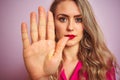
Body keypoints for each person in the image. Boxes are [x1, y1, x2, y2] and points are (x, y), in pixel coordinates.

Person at [21, 0, 119, 80]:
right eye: (63, 19)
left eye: (78, 20)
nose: (70, 27)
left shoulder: (103, 64)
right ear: (53, 23)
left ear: (86, 24)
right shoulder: (43, 62)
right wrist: (40, 78)